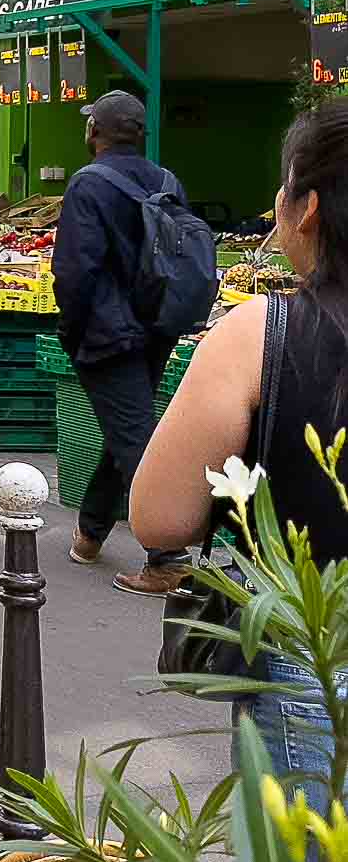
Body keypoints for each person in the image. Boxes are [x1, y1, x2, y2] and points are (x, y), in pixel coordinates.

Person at [132, 101, 348, 809]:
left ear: (306, 209)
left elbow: (160, 517)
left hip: (309, 659)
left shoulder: (260, 333)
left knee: (305, 859)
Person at [52, 89, 192, 596]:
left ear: (95, 132)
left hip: (107, 333)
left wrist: (71, 329)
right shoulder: (167, 181)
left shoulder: (87, 184)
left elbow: (76, 270)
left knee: (134, 437)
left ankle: (168, 558)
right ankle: (91, 531)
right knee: (126, 427)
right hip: (159, 326)